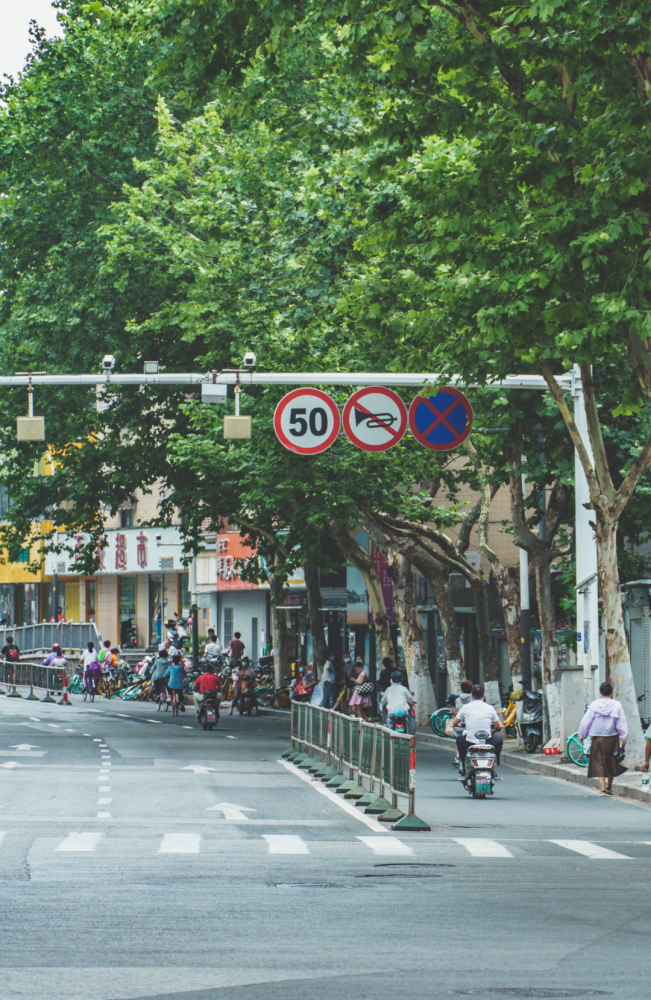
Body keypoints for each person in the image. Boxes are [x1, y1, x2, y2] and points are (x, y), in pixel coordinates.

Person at [578, 680, 628, 795]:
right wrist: (623, 737)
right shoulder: (617, 705)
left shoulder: (594, 705)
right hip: (613, 737)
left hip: (597, 738)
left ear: (600, 692)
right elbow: (622, 722)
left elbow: (585, 722)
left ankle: (602, 788)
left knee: (599, 761)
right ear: (611, 692)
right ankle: (610, 787)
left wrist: (582, 735)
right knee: (611, 761)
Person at [452, 683, 503, 773]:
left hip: (470, 742)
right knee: (499, 739)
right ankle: (495, 762)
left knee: (459, 740)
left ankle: (464, 764)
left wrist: (459, 725)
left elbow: (455, 722)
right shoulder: (490, 708)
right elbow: (499, 726)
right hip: (488, 741)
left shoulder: (465, 708)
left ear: (471, 696)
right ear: (484, 696)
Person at [452, 679, 474, 765]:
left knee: (459, 738)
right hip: (470, 726)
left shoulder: (457, 700)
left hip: (459, 726)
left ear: (461, 690)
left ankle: (458, 755)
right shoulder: (473, 701)